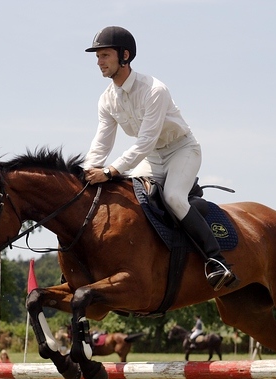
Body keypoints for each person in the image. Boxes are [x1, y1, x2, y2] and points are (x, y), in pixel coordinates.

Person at [82, 26, 235, 291]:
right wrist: (86, 171)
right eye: (98, 56)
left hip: (181, 150)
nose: (99, 62)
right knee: (132, 199)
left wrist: (110, 171)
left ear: (124, 56)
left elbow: (145, 141)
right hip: (152, 156)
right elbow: (103, 140)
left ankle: (216, 260)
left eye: (105, 55)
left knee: (174, 197)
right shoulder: (107, 99)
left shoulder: (154, 89)